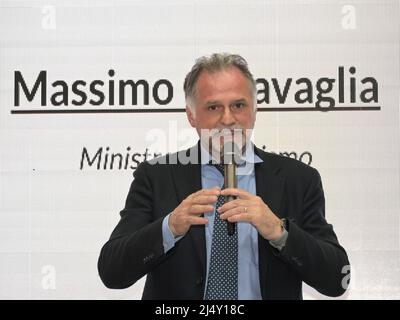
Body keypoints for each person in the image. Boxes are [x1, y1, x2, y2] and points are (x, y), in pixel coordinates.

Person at [98, 53, 350, 299]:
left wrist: (279, 231)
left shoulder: (298, 179)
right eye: (214, 107)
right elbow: (112, 271)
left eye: (238, 105)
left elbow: (337, 278)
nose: (228, 119)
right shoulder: (155, 176)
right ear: (192, 116)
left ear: (254, 110)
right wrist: (170, 227)